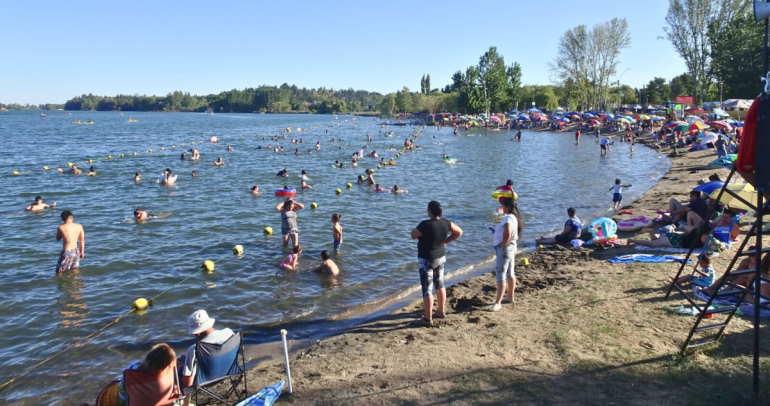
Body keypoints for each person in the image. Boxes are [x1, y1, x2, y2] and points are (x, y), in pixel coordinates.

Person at [410, 201, 463, 326]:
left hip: (426, 259)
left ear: (429, 211)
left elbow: (413, 235)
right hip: (440, 257)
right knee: (439, 284)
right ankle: (440, 311)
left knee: (427, 289)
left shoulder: (425, 224)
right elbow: (459, 232)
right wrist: (446, 241)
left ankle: (427, 319)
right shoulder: (446, 222)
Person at [95, 343, 177, 406]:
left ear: (149, 357)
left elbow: (123, 394)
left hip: (127, 401)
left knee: (111, 389)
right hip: (158, 401)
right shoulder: (169, 373)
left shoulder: (133, 370)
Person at [179, 310, 234, 389]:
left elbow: (188, 383)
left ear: (197, 332)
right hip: (230, 371)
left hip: (206, 380)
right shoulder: (229, 332)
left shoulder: (194, 349)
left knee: (179, 366)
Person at [490, 197, 523, 312]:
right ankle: (510, 296)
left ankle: (498, 302)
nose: (502, 208)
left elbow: (508, 232)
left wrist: (503, 244)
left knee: (501, 274)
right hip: (512, 247)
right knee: (510, 273)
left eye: (503, 206)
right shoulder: (514, 217)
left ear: (507, 207)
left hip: (505, 249)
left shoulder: (508, 218)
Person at [55, 211, 84, 275]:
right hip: (76, 251)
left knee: (59, 271)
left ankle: (60, 284)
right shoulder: (79, 226)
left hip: (66, 252)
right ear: (71, 217)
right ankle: (75, 283)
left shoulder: (61, 227)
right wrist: (82, 252)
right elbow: (82, 240)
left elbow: (58, 238)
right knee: (74, 268)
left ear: (63, 219)